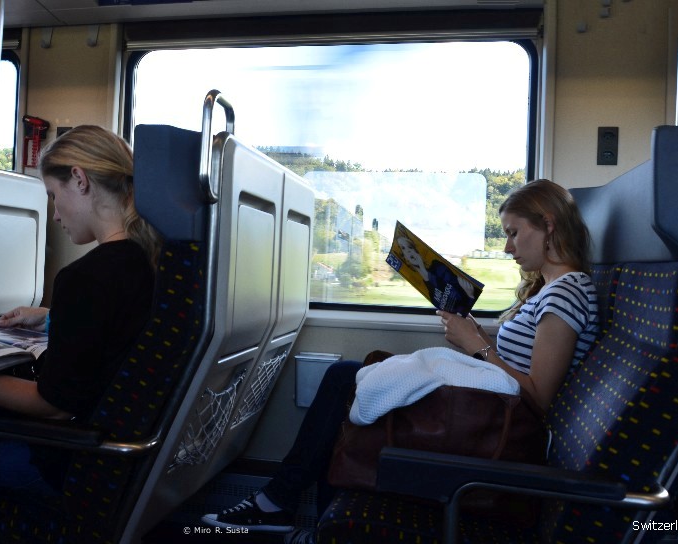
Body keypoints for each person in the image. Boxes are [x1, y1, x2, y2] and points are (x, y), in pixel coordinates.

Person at [201, 179, 600, 542]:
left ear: (548, 224)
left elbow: (538, 396)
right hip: (494, 411)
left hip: (503, 425)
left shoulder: (565, 294)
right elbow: (517, 363)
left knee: (347, 381)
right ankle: (295, 513)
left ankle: (278, 504)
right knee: (352, 385)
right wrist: (476, 336)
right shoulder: (549, 290)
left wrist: (477, 347)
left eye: (513, 233)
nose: (508, 247)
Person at [0, 125, 161, 491]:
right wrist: (52, 317)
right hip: (118, 451)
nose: (56, 215)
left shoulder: (86, 277)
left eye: (53, 195)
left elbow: (54, 407)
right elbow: (115, 328)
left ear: (79, 179)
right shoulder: (149, 260)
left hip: (59, 457)